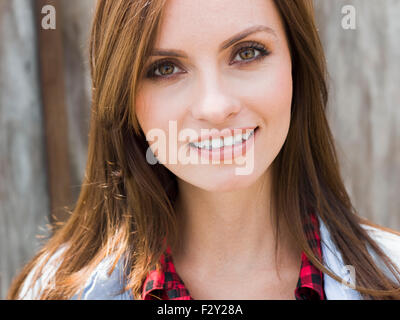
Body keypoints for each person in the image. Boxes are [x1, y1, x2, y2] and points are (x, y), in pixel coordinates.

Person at [8, 0, 400, 300]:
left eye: (247, 52)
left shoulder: (392, 278)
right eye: (165, 68)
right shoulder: (54, 289)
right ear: (126, 99)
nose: (215, 107)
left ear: (297, 64)